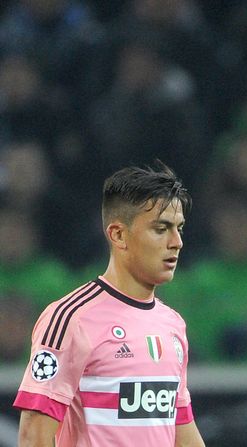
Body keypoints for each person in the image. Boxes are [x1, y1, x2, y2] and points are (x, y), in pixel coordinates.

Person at [13, 161, 205, 446]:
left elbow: (181, 430)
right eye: (161, 228)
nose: (177, 242)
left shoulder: (172, 324)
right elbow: (33, 435)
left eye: (179, 228)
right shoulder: (71, 318)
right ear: (118, 234)